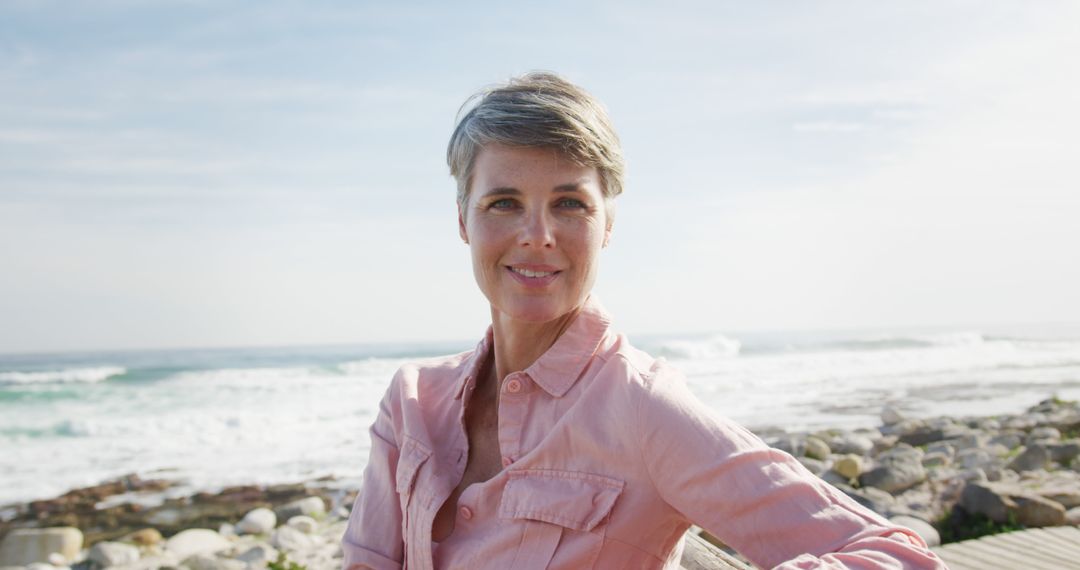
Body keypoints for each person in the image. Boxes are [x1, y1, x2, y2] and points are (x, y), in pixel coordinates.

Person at [341, 72, 946, 570]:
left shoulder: (643, 407)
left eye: (569, 204)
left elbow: (897, 557)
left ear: (607, 226)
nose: (537, 236)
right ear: (463, 220)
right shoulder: (411, 402)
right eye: (504, 203)